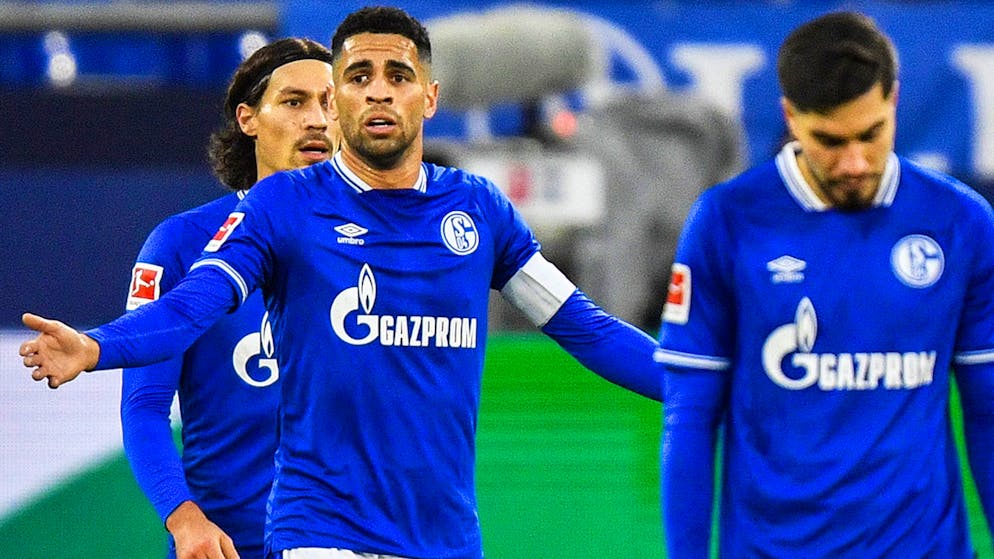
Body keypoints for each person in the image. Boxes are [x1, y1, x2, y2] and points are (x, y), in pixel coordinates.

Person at [19, 6, 661, 559]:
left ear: (431, 97)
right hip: (297, 534)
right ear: (252, 117)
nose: (368, 98)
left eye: (398, 78)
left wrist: (709, 383)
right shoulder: (272, 215)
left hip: (444, 537)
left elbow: (585, 325)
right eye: (352, 82)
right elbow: (188, 314)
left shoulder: (479, 210)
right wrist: (99, 347)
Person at [655, 11, 994, 559]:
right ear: (791, 116)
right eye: (830, 141)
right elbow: (690, 418)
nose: (855, 162)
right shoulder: (727, 222)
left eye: (871, 133)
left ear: (894, 102)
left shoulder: (960, 222)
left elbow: (989, 411)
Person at [121, 38, 338, 559]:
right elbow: (145, 405)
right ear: (248, 118)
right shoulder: (181, 244)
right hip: (229, 547)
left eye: (331, 103)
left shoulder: (384, 240)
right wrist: (183, 516)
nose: (317, 120)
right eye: (294, 102)